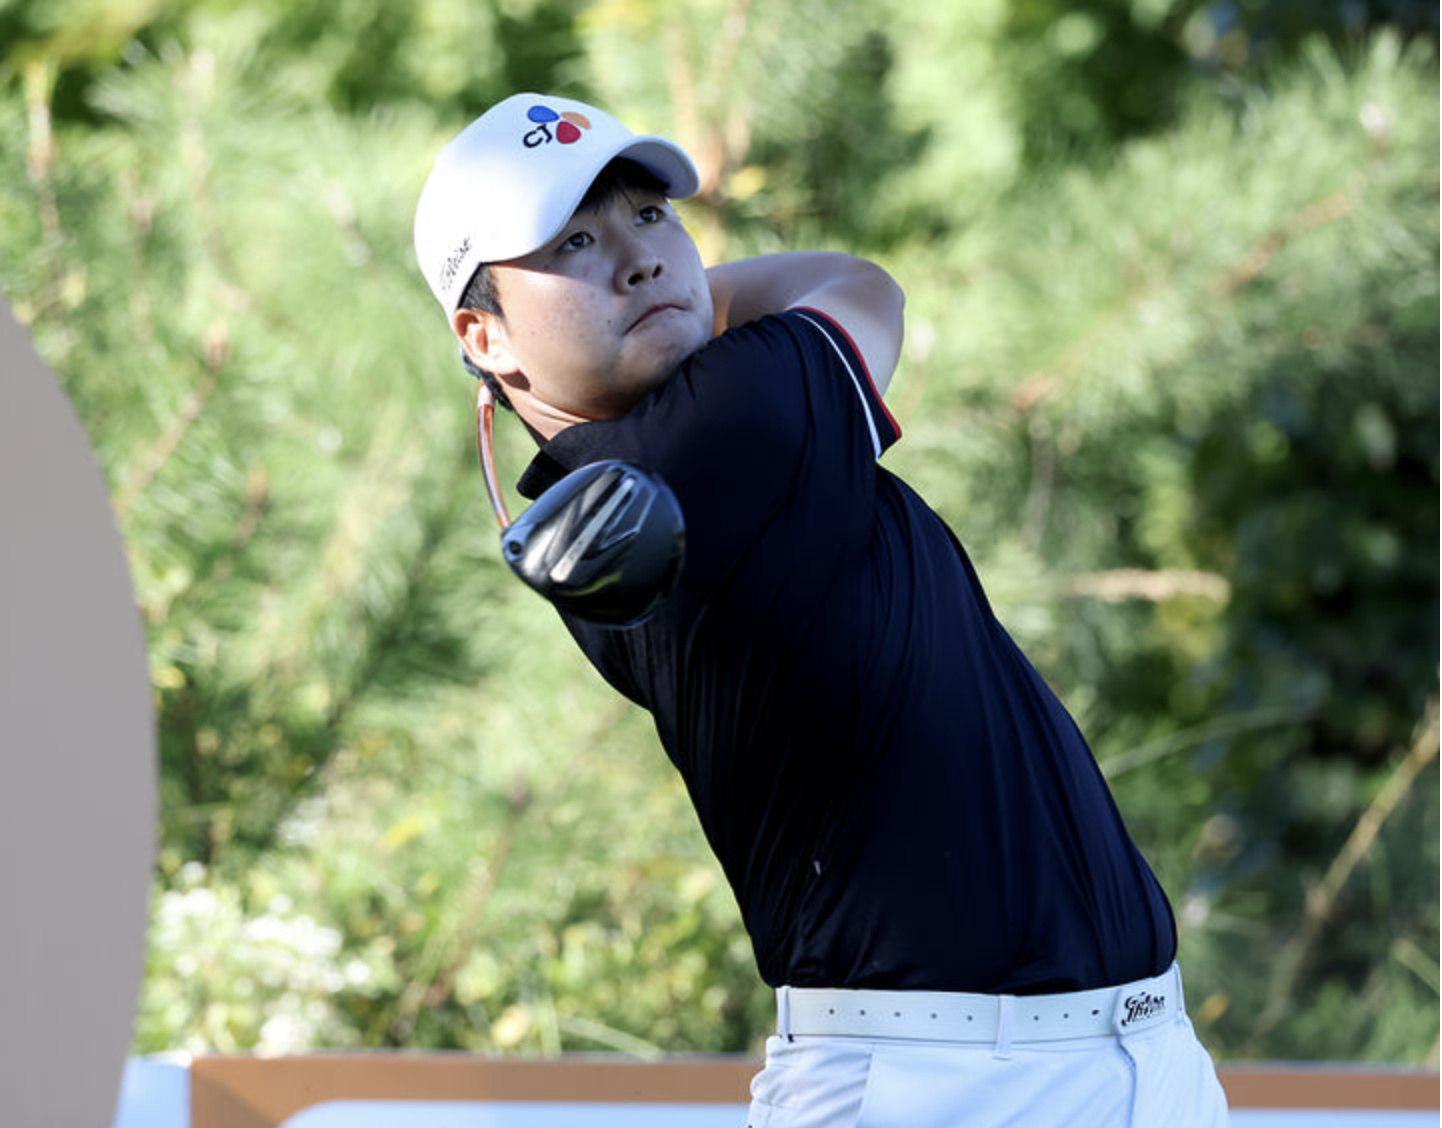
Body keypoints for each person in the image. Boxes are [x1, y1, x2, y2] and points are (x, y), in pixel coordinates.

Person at [413, 92, 1231, 1128]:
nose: (639, 258)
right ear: (481, 334)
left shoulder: (638, 477)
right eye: (574, 239)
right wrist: (700, 300)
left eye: (651, 218)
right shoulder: (725, 423)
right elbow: (855, 285)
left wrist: (673, 300)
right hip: (939, 1088)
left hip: (1119, 1058)